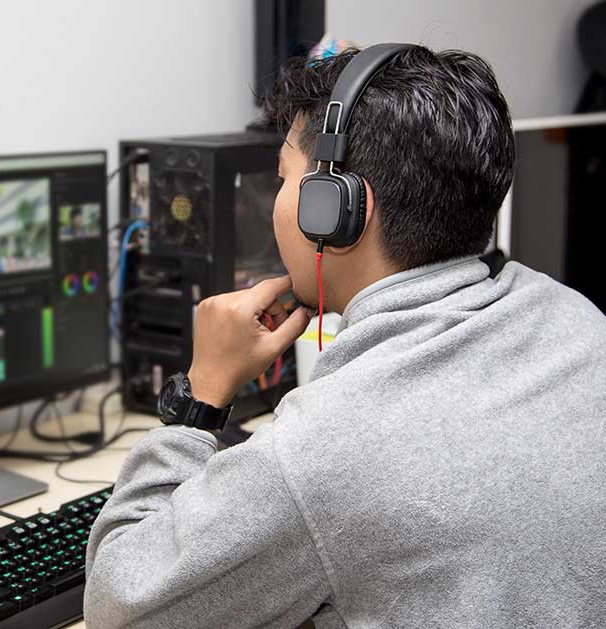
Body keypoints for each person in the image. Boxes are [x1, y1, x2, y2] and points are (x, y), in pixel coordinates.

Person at [84, 46, 606, 628]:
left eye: (282, 180)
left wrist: (199, 398)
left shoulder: (325, 451)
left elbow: (119, 606)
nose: (272, 206)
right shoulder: (576, 318)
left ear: (335, 210)